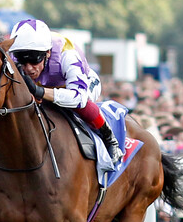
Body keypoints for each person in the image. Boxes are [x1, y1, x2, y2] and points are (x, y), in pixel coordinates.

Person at [8, 19, 123, 162]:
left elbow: (79, 97)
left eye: (34, 59)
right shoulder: (13, 55)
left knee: (78, 104)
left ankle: (110, 139)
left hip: (82, 85)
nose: (29, 68)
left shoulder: (68, 55)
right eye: (22, 60)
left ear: (48, 53)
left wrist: (40, 91)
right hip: (46, 87)